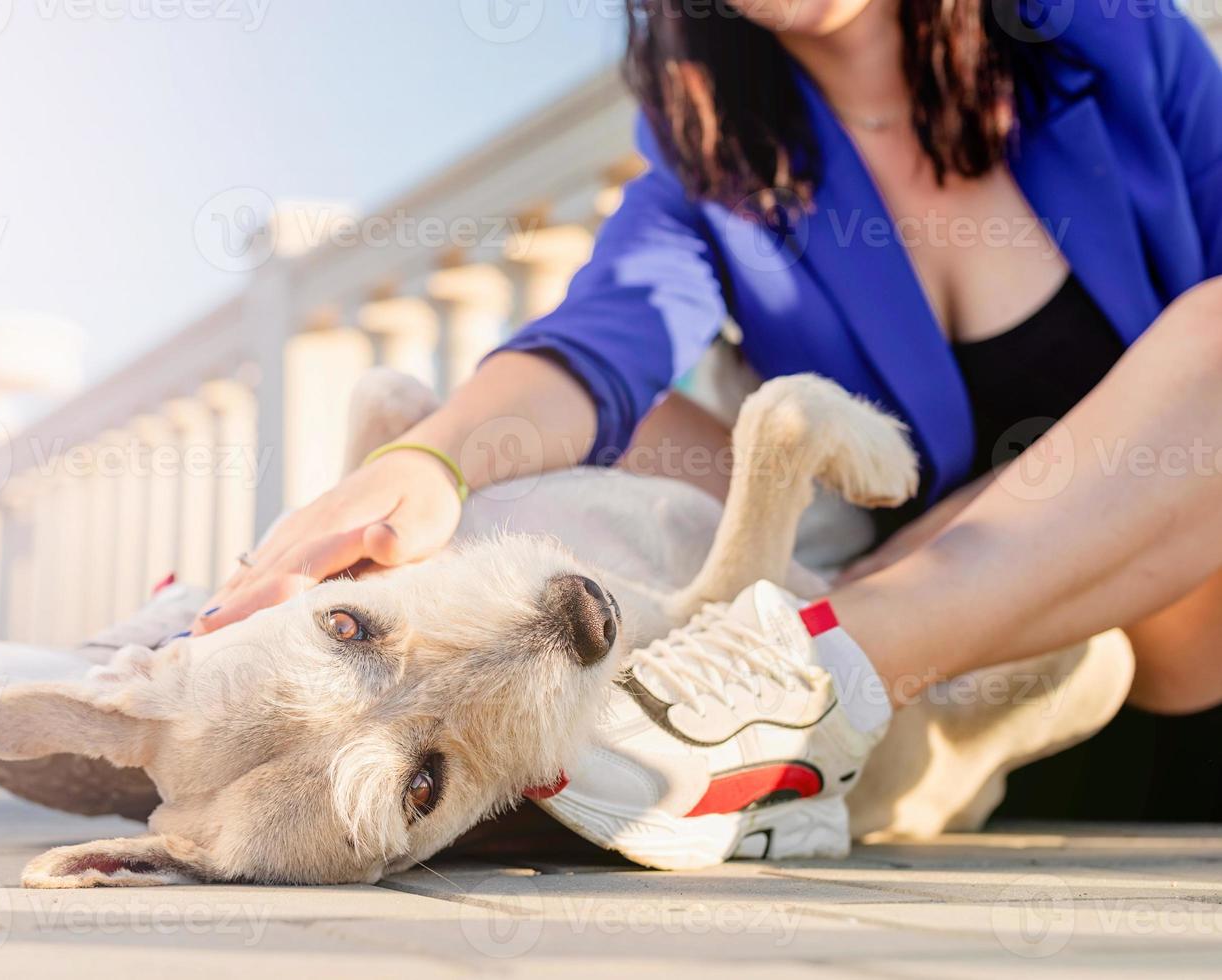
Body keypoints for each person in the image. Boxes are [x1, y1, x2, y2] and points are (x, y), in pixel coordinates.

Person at [192, 0, 1222, 860]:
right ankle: (421, 688)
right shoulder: (720, 153)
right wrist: (427, 460)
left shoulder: (1114, 43)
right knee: (599, 427)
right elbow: (606, 336)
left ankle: (802, 674)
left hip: (1170, 668)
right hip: (944, 717)